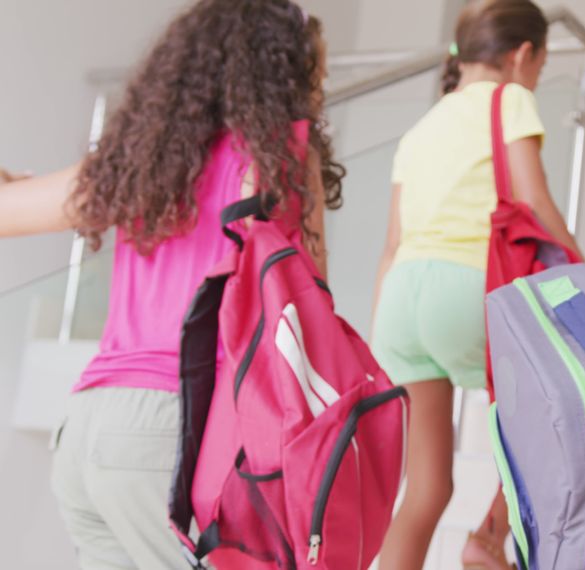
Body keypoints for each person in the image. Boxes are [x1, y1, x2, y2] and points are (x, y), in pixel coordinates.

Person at [0, 1, 343, 567]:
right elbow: (309, 304)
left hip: (88, 427)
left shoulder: (141, 159)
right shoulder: (278, 157)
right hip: (174, 431)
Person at [371, 1, 582, 568]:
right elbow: (533, 201)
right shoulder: (511, 98)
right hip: (464, 288)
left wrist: (378, 341)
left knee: (425, 488)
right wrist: (583, 273)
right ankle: (488, 538)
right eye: (538, 66)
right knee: (554, 413)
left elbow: (392, 243)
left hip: (400, 305)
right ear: (523, 55)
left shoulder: (419, 128)